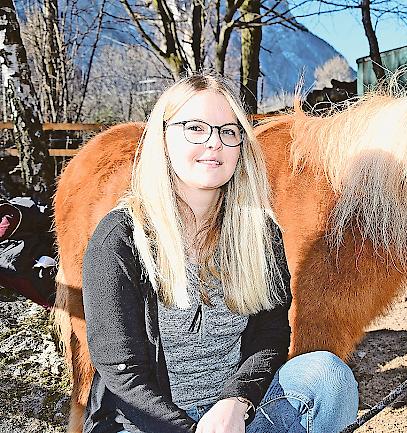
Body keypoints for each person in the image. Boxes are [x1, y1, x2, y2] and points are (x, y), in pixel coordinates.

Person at [81, 73, 358, 433]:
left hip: (235, 419)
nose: (215, 142)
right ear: (163, 138)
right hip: (148, 424)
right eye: (196, 128)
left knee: (328, 376)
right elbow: (124, 375)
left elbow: (270, 336)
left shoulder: (259, 233)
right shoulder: (119, 238)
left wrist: (237, 400)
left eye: (229, 131)